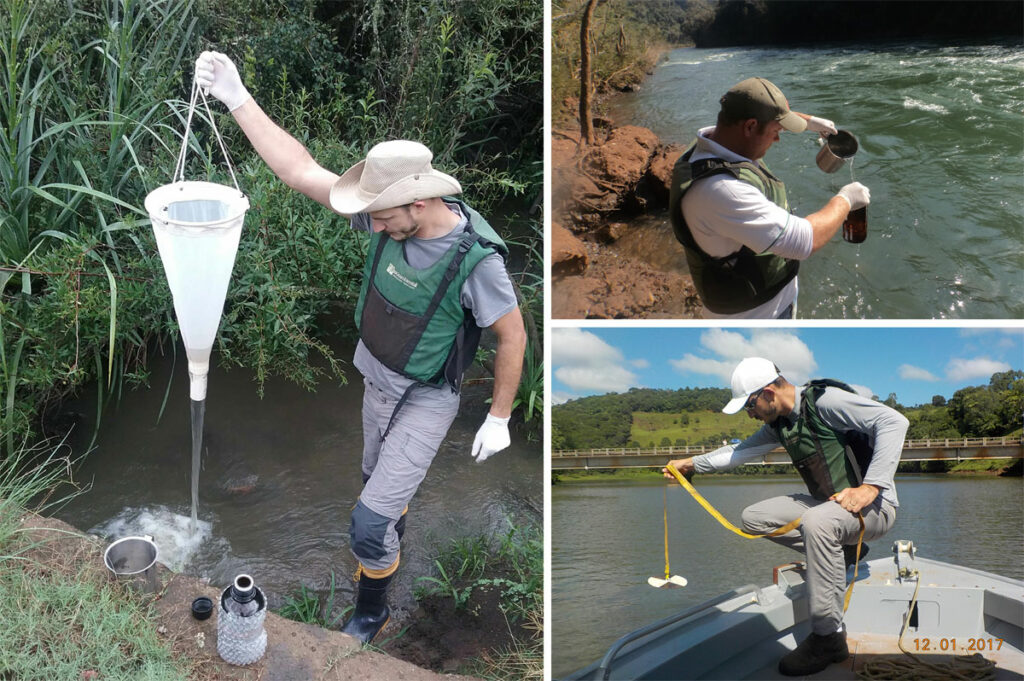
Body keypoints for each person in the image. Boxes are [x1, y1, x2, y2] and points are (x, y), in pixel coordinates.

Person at [195, 52, 527, 644]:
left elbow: (512, 334)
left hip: (427, 398)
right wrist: (235, 96)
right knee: (376, 485)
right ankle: (388, 536)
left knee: (368, 521)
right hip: (376, 381)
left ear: (420, 203)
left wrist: (499, 416)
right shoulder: (387, 215)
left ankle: (373, 612)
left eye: (381, 216)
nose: (369, 226)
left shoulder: (476, 260)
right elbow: (299, 170)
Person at [663, 357, 908, 677]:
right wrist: (691, 464)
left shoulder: (826, 402)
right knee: (754, 517)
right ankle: (844, 550)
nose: (749, 414)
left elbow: (893, 422)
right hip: (830, 512)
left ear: (768, 392)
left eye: (750, 405)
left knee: (818, 523)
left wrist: (871, 487)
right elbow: (736, 454)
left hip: (873, 510)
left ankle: (827, 638)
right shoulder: (779, 424)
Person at [669, 77, 871, 319]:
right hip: (759, 315)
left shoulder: (715, 139)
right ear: (750, 127)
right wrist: (846, 199)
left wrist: (809, 123)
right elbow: (804, 240)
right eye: (776, 132)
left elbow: (757, 114)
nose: (778, 139)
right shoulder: (721, 190)